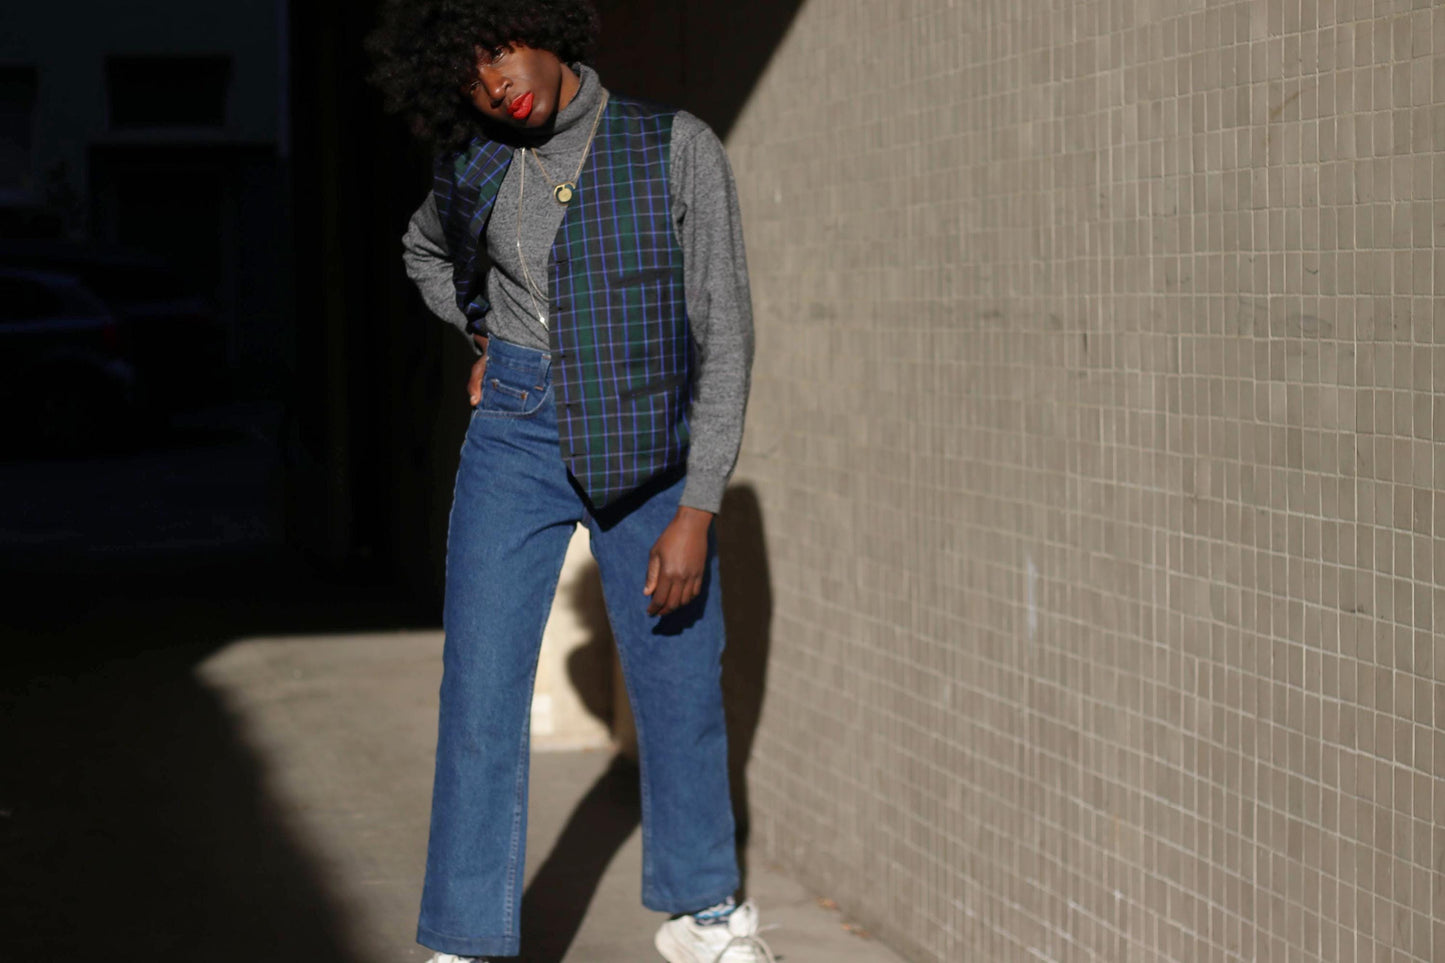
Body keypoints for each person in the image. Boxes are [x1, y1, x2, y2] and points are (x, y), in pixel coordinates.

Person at [367, 2, 769, 961]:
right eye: (467, 76)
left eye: (499, 51)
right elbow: (425, 250)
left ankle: (703, 913)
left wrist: (699, 505)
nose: (493, 83)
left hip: (649, 452)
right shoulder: (472, 163)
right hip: (513, 436)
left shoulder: (674, 147)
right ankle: (465, 938)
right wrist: (480, 335)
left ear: (544, 29)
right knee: (479, 688)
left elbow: (727, 335)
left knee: (677, 683)